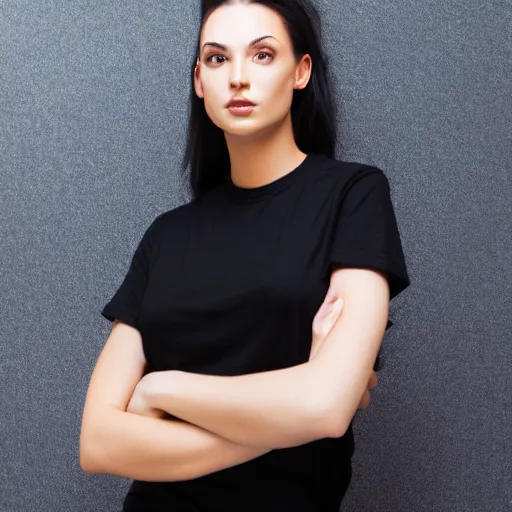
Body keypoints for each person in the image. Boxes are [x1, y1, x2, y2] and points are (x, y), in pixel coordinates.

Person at [79, 0, 410, 510]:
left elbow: (324, 407)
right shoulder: (166, 237)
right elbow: (99, 442)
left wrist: (161, 391)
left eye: (262, 55)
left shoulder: (353, 194)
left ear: (301, 71)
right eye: (216, 59)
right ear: (198, 81)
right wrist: (295, 412)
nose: (236, 77)